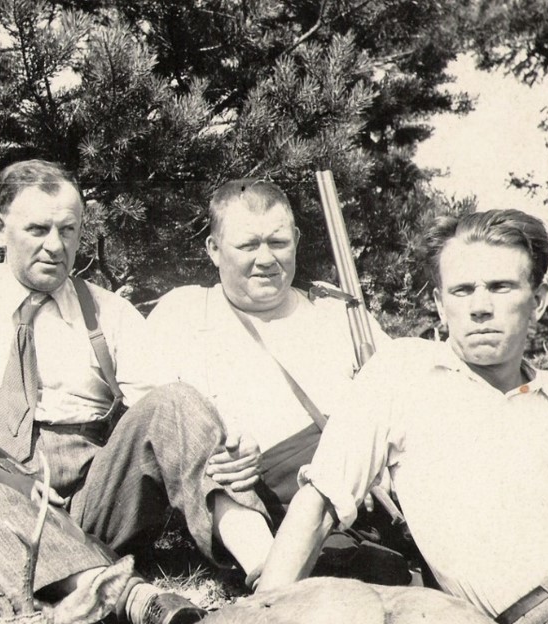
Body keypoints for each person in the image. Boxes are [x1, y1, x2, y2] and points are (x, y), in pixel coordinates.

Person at [0, 158, 277, 624]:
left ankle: (272, 573)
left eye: (68, 230)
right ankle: (132, 600)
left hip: (87, 500)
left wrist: (227, 441)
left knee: (177, 400)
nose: (55, 246)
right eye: (38, 230)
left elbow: (172, 417)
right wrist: (15, 483)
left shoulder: (109, 313)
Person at [254, 208, 548, 624]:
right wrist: (258, 621)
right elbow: (320, 501)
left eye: (501, 286)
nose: (481, 307)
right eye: (462, 290)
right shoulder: (401, 373)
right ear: (440, 304)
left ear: (537, 299)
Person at [147, 179, 406, 587]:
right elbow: (163, 424)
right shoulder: (183, 313)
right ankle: (273, 580)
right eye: (248, 246)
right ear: (214, 249)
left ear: (297, 240)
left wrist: (375, 460)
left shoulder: (337, 314)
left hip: (364, 499)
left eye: (278, 242)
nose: (266, 259)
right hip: (254, 502)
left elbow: (401, 401)